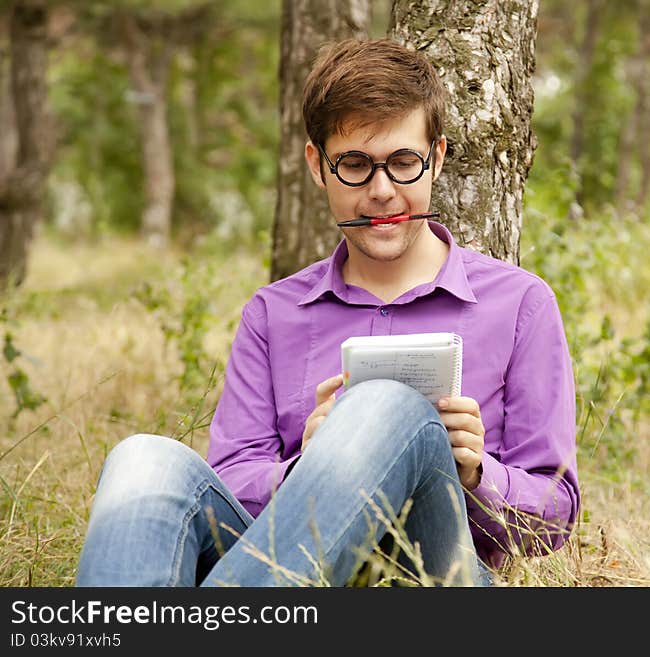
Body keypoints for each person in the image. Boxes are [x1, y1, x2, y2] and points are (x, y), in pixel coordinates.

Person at [76, 38, 580, 587]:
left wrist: (476, 473)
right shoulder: (273, 314)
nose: (382, 191)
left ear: (435, 159)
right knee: (142, 459)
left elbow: (555, 519)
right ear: (318, 166)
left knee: (387, 406)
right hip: (288, 565)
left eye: (404, 163)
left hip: (434, 576)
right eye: (355, 165)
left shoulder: (521, 304)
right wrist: (307, 469)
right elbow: (228, 482)